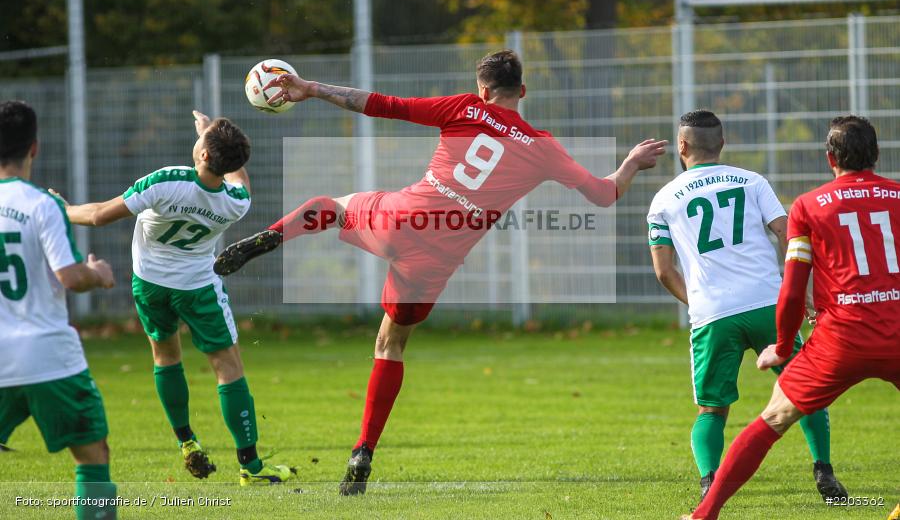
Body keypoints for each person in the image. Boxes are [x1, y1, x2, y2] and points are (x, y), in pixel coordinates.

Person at [214, 49, 668, 495]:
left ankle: (274, 235)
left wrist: (311, 89)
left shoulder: (465, 107)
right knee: (390, 345)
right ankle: (363, 450)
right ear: (522, 91)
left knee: (333, 207)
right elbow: (605, 195)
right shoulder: (543, 147)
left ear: (482, 89)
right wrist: (629, 163)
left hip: (401, 219)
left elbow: (380, 105)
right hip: (436, 260)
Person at [59, 111, 295, 486]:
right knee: (227, 366)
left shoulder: (167, 181)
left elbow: (100, 215)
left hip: (150, 285)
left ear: (203, 154)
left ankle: (187, 441)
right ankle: (251, 467)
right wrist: (216, 139)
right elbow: (238, 179)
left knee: (166, 357)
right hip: (198, 288)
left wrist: (62, 209)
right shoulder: (235, 203)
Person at [685, 115, 899, 520]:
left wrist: (782, 348)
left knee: (772, 420)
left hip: (840, 341)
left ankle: (704, 514)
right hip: (897, 333)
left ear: (829, 158)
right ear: (876, 155)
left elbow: (793, 290)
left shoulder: (809, 206)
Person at [648, 110, 845, 504]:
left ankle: (710, 485)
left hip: (713, 314)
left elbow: (664, 271)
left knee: (712, 409)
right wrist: (803, 289)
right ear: (721, 145)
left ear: (682, 146)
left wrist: (700, 302)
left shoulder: (663, 199)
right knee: (807, 393)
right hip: (769, 305)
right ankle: (824, 471)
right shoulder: (752, 181)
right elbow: (788, 234)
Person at [0, 101, 117, 519]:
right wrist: (98, 273)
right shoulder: (42, 205)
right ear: (34, 148)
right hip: (48, 357)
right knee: (92, 456)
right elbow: (69, 277)